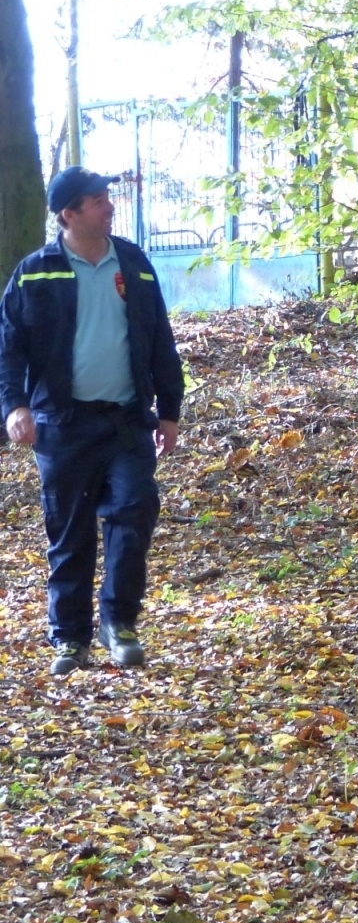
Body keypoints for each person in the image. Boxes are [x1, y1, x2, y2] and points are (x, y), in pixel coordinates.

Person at [1, 166, 185, 675]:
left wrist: (169, 410)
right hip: (61, 426)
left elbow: (160, 340)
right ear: (69, 214)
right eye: (97, 200)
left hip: (126, 421)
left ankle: (119, 624)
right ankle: (71, 639)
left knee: (136, 506)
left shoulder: (135, 263)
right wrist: (14, 406)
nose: (109, 206)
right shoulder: (36, 273)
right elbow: (8, 349)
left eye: (108, 197)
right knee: (70, 531)